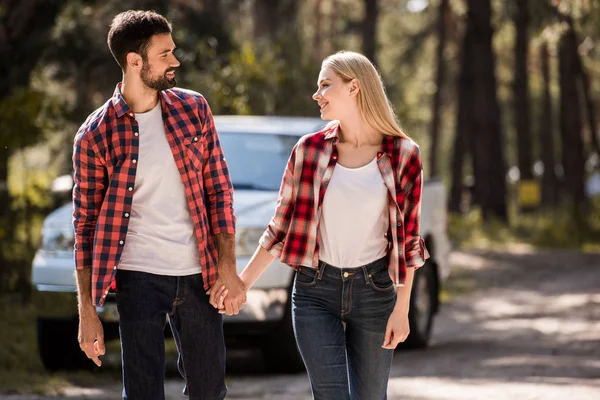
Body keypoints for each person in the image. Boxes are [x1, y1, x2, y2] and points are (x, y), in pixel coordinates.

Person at [210, 50, 430, 400]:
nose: (317, 95)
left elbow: (409, 242)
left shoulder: (404, 154)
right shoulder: (309, 150)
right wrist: (241, 283)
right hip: (315, 290)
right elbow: (280, 228)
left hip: (375, 292)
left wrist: (402, 309)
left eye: (325, 85)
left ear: (354, 87)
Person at [72, 10, 245, 400]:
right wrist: (87, 312)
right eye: (165, 54)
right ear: (136, 62)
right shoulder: (95, 135)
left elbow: (219, 190)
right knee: (143, 391)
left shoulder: (194, 109)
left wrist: (227, 267)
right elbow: (84, 227)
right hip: (138, 277)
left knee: (209, 390)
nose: (176, 61)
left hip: (198, 274)